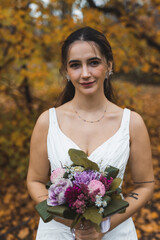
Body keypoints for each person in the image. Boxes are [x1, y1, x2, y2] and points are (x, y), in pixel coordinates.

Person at [27, 26, 154, 240]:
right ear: (66, 71)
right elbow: (34, 181)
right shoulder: (47, 122)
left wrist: (104, 225)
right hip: (56, 233)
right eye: (75, 65)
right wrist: (66, 220)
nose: (85, 73)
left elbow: (145, 185)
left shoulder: (132, 123)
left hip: (115, 232)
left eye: (93, 62)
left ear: (109, 65)